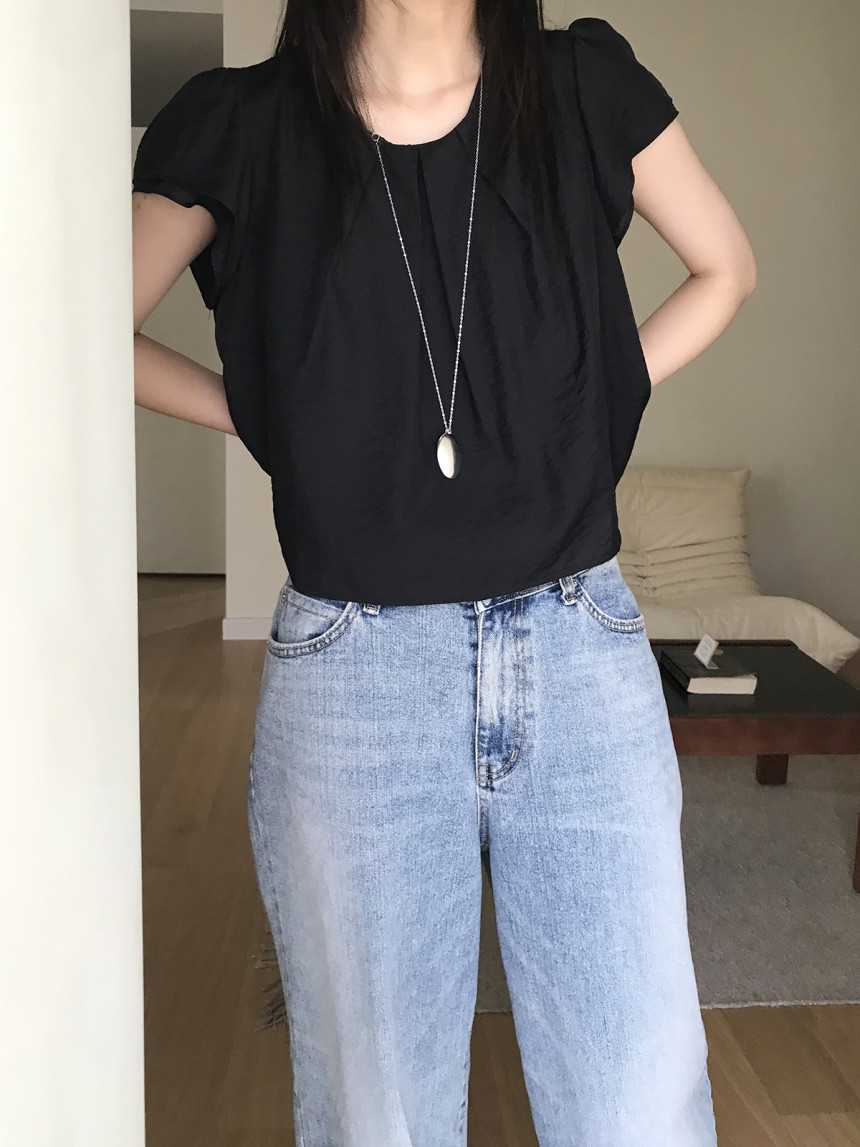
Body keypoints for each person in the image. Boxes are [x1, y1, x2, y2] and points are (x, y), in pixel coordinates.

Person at [132, 1, 755, 1142]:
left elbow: (727, 267)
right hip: (354, 671)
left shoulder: (581, 87)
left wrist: (592, 399)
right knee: (379, 1110)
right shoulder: (242, 124)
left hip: (579, 650)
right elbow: (75, 328)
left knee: (638, 1102)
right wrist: (269, 417)